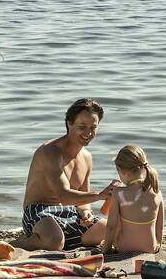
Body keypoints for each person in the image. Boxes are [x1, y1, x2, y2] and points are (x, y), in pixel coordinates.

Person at [11, 99, 117, 251]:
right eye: (82, 127)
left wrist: (86, 211)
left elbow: (82, 199)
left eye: (93, 127)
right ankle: (20, 243)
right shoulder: (50, 151)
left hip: (70, 213)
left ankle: (60, 242)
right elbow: (64, 196)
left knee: (112, 230)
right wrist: (100, 195)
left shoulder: (87, 157)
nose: (88, 133)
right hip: (39, 211)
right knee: (54, 240)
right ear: (69, 123)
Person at [101, 145, 164, 254]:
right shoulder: (157, 192)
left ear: (121, 170)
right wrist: (157, 247)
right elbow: (160, 228)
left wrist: (105, 252)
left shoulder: (118, 193)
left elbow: (111, 227)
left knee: (119, 223)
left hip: (124, 248)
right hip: (150, 248)